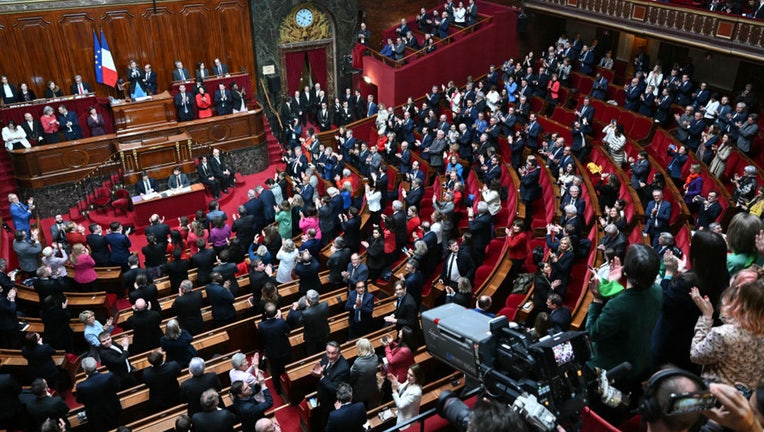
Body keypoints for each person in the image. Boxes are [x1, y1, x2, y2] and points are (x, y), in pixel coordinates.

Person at [586, 244, 663, 387]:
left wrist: (597, 299)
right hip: (642, 360)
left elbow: (592, 332)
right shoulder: (658, 290)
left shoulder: (617, 307)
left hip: (616, 370)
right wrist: (613, 284)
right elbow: (631, 301)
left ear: (625, 270)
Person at [690, 265, 764, 388]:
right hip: (751, 399)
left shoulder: (723, 335)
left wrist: (706, 317)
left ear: (742, 303)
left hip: (722, 397)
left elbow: (695, 355)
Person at [76, 357, 122, 431]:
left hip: (96, 415)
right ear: (96, 366)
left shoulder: (81, 386)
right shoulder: (109, 376)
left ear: (84, 370)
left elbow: (79, 400)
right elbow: (117, 387)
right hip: (113, 408)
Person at [313, 341, 351, 425]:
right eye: (328, 353)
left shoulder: (343, 368)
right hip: (322, 394)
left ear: (339, 352)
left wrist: (321, 377)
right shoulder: (325, 356)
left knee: (326, 420)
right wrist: (316, 371)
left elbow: (334, 389)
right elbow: (321, 368)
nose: (330, 356)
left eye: (333, 353)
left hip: (330, 401)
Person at [258, 302, 291, 395]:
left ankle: (277, 388)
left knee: (275, 370)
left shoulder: (261, 325)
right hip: (284, 350)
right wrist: (280, 318)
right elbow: (288, 331)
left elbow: (261, 339)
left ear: (265, 313)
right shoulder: (280, 322)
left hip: (272, 352)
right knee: (287, 367)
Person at [350, 338, 380, 409]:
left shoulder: (358, 363)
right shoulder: (375, 357)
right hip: (372, 387)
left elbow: (352, 376)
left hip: (360, 391)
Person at [302, 289, 330, 355]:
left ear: (309, 301)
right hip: (323, 332)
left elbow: (301, 322)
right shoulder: (325, 305)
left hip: (311, 337)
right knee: (323, 349)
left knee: (312, 352)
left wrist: (307, 308)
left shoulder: (306, 313)